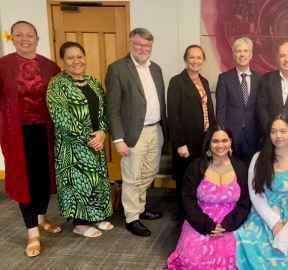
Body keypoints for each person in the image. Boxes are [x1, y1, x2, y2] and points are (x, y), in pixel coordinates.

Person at [0, 20, 61, 257]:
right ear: (12, 38)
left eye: (29, 35)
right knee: (24, 180)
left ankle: (41, 217)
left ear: (37, 38)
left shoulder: (50, 67)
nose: (24, 39)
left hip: (45, 132)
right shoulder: (3, 66)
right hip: (17, 134)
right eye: (19, 35)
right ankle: (32, 233)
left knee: (43, 179)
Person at [47, 42, 113, 238]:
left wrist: (102, 132)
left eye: (79, 56)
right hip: (72, 145)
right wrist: (87, 136)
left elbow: (104, 110)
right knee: (78, 182)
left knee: (96, 179)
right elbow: (60, 116)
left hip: (96, 140)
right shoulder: (57, 84)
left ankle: (97, 215)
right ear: (63, 61)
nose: (76, 61)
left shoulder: (93, 82)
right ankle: (80, 223)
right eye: (70, 57)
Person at [106, 28, 167, 237]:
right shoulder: (117, 69)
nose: (143, 49)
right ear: (131, 43)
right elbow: (112, 108)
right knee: (132, 176)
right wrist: (118, 139)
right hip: (133, 133)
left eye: (147, 46)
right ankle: (132, 217)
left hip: (155, 129)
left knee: (149, 173)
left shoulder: (156, 69)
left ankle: (139, 208)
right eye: (139, 44)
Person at [235, 115, 288, 269]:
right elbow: (255, 195)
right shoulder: (258, 159)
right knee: (245, 242)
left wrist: (286, 230)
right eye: (273, 131)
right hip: (262, 216)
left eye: (283, 131)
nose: (278, 136)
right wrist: (274, 223)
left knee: (287, 256)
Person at [167, 125, 251, 269]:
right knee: (194, 260)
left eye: (225, 140)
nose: (220, 145)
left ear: (230, 142)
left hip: (232, 221)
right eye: (215, 141)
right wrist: (206, 225)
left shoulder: (241, 168)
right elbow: (188, 201)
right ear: (208, 143)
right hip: (200, 220)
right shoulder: (195, 167)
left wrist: (228, 225)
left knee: (234, 258)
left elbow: (245, 202)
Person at [167, 44, 216, 221]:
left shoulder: (204, 81)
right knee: (185, 179)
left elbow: (210, 111)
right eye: (191, 57)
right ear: (186, 60)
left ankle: (196, 212)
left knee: (200, 177)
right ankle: (182, 216)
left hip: (203, 140)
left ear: (203, 60)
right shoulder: (176, 82)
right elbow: (173, 115)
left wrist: (213, 137)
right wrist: (180, 143)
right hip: (186, 142)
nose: (195, 61)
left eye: (199, 57)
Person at [216, 37, 261, 163]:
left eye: (246, 51)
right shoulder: (224, 79)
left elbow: (262, 108)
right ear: (234, 55)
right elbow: (220, 110)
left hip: (254, 136)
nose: (242, 54)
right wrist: (223, 138)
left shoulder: (260, 79)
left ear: (251, 55)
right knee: (231, 172)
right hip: (231, 137)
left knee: (251, 172)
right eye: (238, 51)